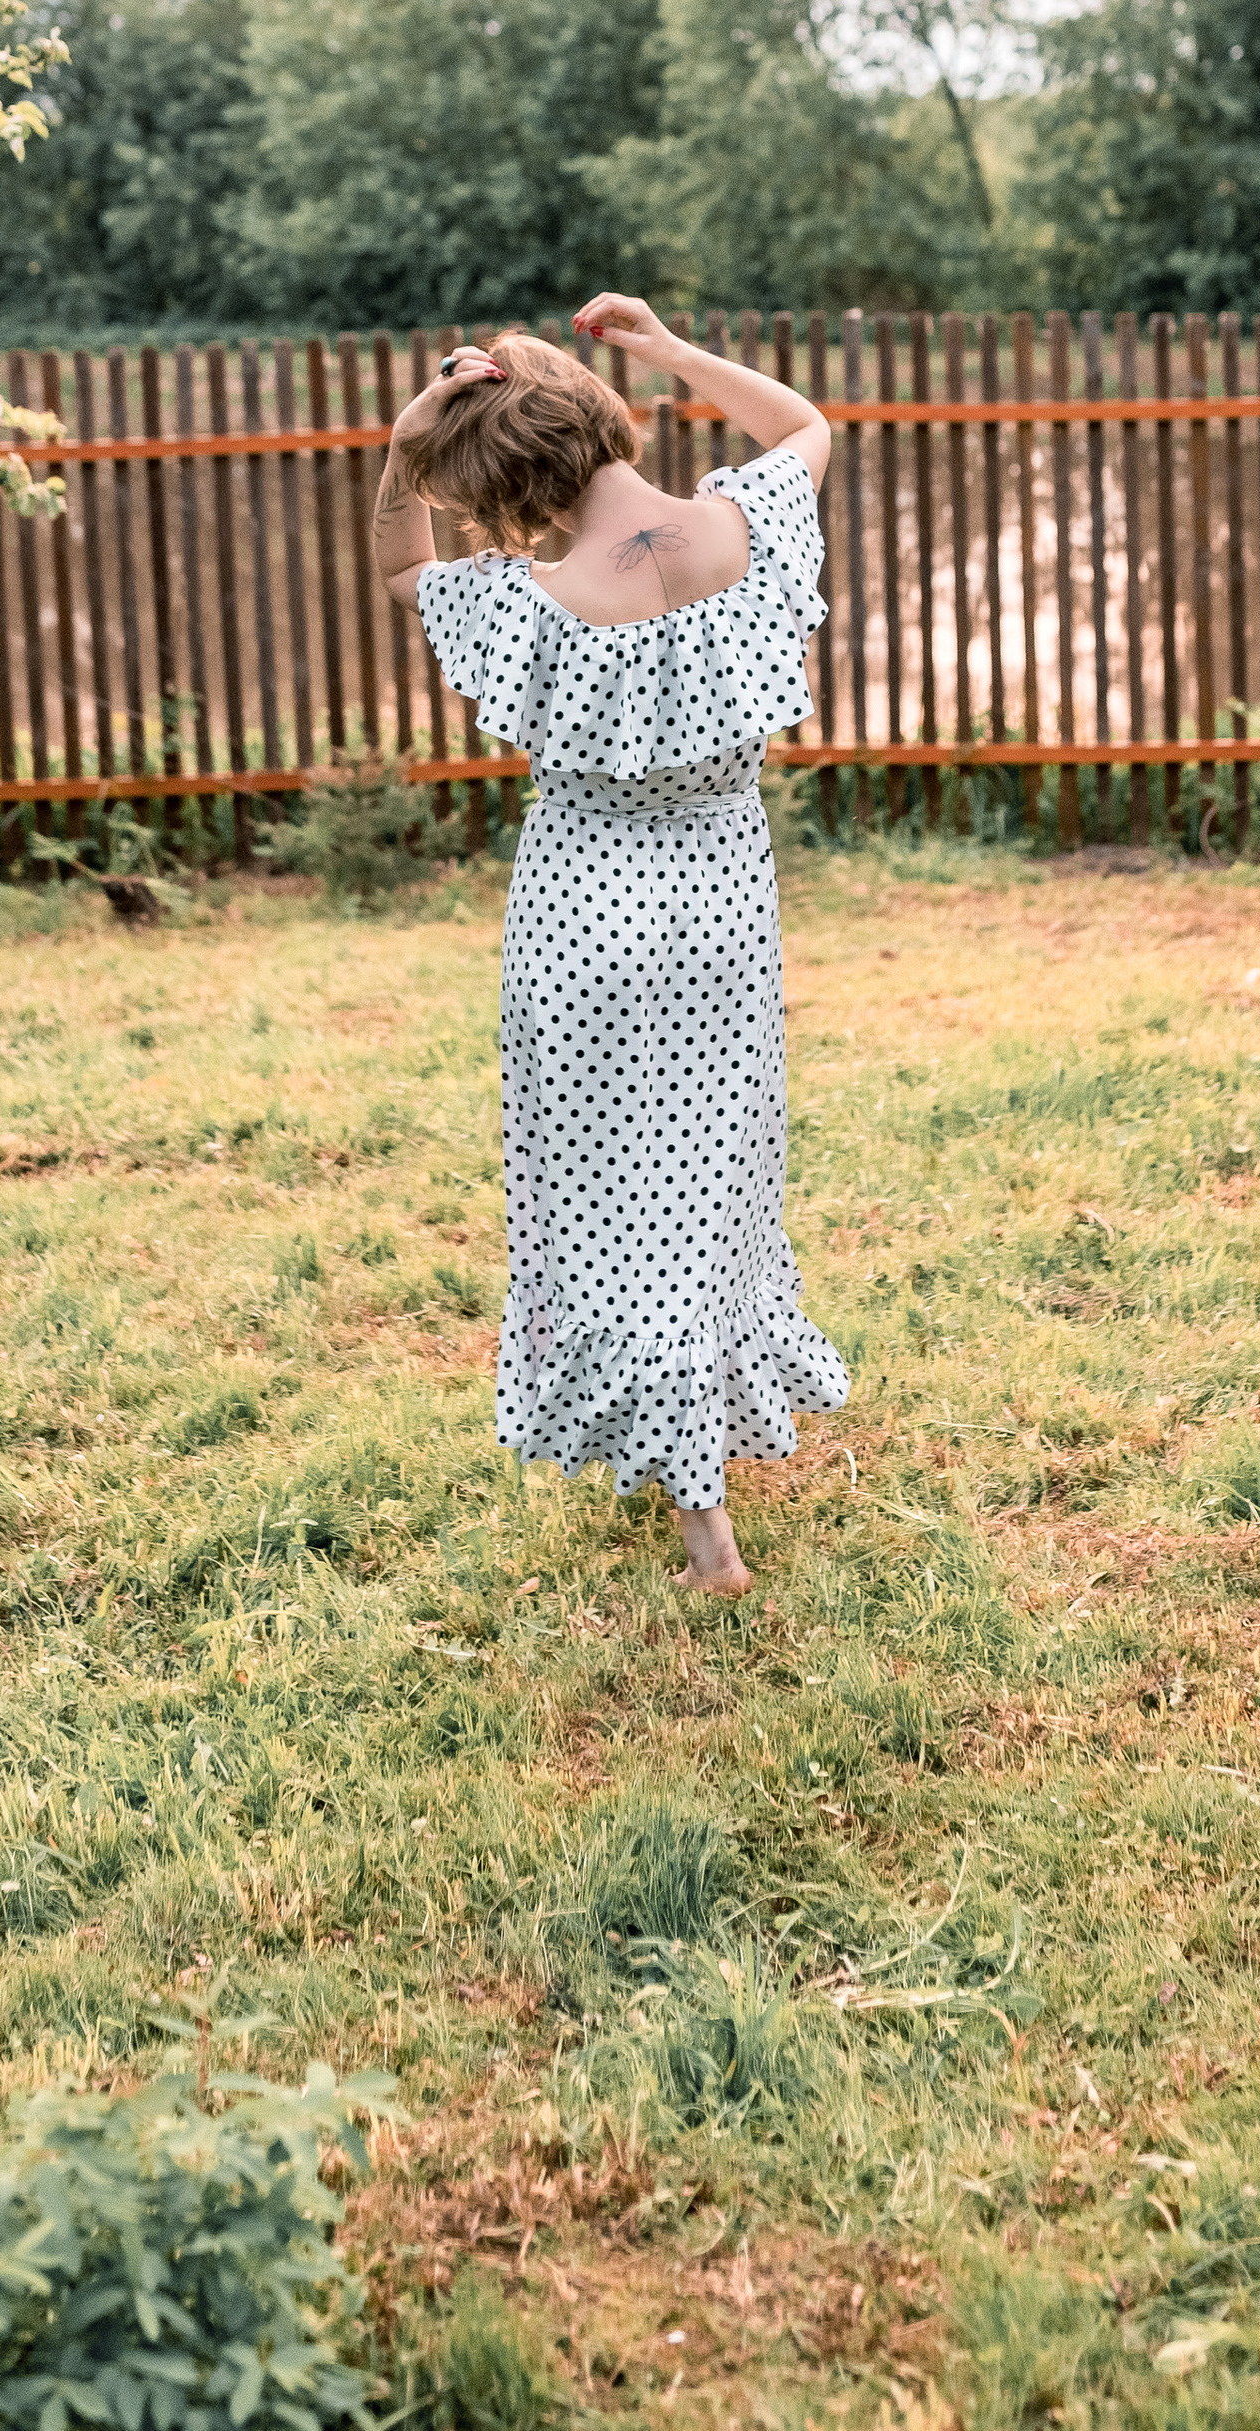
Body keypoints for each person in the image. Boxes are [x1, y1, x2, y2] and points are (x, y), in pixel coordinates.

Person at [371, 291, 849, 1596]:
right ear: (604, 418)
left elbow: (402, 568)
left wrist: (406, 449)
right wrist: (668, 352)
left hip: (582, 933)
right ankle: (700, 1473)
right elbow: (807, 422)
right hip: (719, 928)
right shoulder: (739, 526)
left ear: (503, 486)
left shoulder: (523, 601)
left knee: (605, 1207)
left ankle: (706, 1532)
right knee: (703, 1192)